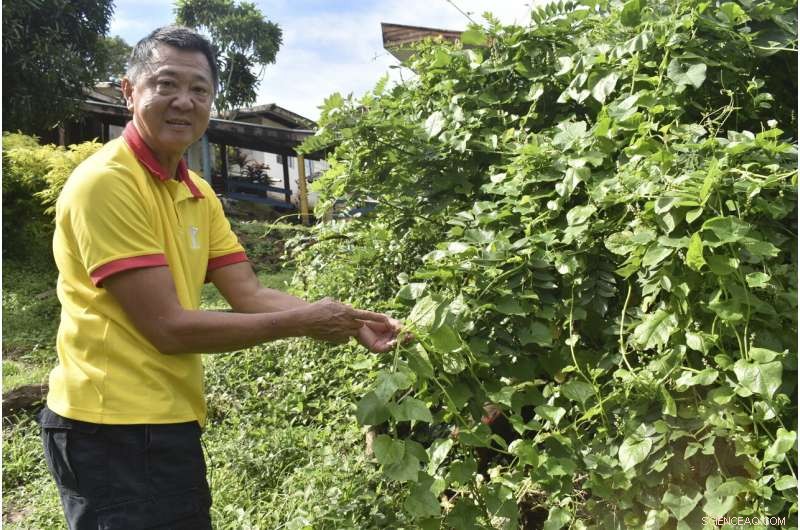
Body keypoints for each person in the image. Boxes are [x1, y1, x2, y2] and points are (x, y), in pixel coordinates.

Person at [38, 25, 403, 529]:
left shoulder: (197, 192)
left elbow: (248, 292)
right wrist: (303, 323)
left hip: (169, 420)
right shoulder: (107, 183)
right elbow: (168, 328)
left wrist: (350, 319)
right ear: (129, 92)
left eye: (199, 89)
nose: (183, 102)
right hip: (107, 428)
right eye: (165, 85)